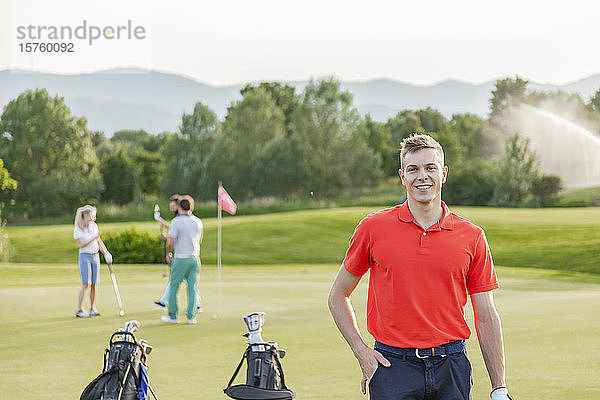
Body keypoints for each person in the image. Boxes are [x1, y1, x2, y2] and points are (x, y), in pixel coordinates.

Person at [328, 134, 513, 400]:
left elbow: (486, 315)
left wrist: (499, 387)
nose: (422, 176)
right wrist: (362, 352)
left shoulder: (472, 236)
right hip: (392, 367)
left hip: (452, 366)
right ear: (402, 176)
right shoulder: (373, 228)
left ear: (444, 173)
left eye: (430, 168)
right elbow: (337, 295)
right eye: (413, 169)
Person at [153, 194, 202, 312]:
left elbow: (172, 239)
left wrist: (168, 252)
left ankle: (172, 313)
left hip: (181, 257)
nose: (172, 208)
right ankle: (192, 312)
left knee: (174, 284)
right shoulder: (198, 221)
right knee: (191, 285)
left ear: (180, 206)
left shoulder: (177, 221)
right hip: (195, 258)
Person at [73, 205, 112, 318]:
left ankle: (92, 308)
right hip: (85, 256)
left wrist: (106, 253)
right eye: (91, 215)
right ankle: (79, 309)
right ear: (85, 215)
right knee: (86, 284)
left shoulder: (94, 226)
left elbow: (98, 241)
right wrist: (94, 237)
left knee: (94, 284)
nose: (93, 217)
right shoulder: (78, 229)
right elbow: (81, 244)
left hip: (95, 256)